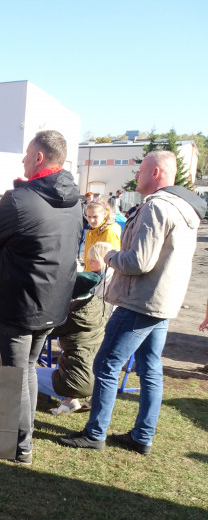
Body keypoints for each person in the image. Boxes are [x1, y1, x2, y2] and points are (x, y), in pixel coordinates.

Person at [59, 151, 207, 454]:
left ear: (155, 173)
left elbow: (139, 261)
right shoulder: (183, 208)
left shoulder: (157, 207)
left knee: (106, 364)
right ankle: (142, 436)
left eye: (141, 170)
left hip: (139, 301)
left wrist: (109, 255)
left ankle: (95, 433)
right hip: (162, 302)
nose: (136, 175)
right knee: (150, 368)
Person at [0, 130, 83, 464]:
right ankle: (21, 439)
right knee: (26, 369)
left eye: (27, 155)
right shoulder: (75, 200)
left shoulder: (20, 200)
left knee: (16, 374)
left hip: (18, 304)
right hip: (52, 305)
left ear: (39, 158)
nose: (23, 160)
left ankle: (21, 445)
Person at [36, 271, 105, 415]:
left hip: (75, 380)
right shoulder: (100, 306)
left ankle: (70, 396)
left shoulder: (71, 315)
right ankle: (71, 401)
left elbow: (44, 329)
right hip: (100, 377)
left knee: (26, 374)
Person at [83, 198, 122, 271]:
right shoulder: (90, 232)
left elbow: (112, 263)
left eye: (95, 217)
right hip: (89, 274)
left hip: (101, 276)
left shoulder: (110, 232)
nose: (91, 220)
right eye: (89, 216)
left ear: (105, 214)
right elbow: (87, 260)